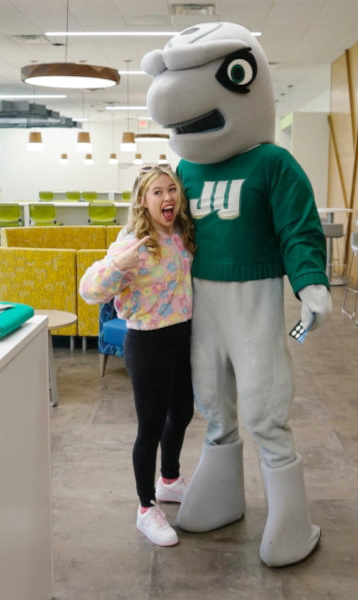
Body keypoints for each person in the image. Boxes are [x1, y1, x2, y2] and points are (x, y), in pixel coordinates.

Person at [141, 22, 331, 566]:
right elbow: (168, 230)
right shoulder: (186, 167)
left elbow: (298, 229)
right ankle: (224, 494)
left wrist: (310, 282)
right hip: (198, 297)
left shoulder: (273, 163)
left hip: (253, 294)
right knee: (212, 399)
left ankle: (291, 521)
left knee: (264, 402)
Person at [79, 165, 195, 547]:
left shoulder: (181, 233)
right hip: (147, 342)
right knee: (150, 426)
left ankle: (169, 480)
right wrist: (117, 265)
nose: (168, 198)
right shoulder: (132, 241)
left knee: (182, 412)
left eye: (172, 190)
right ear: (142, 201)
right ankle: (146, 508)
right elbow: (89, 291)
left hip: (182, 334)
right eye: (158, 192)